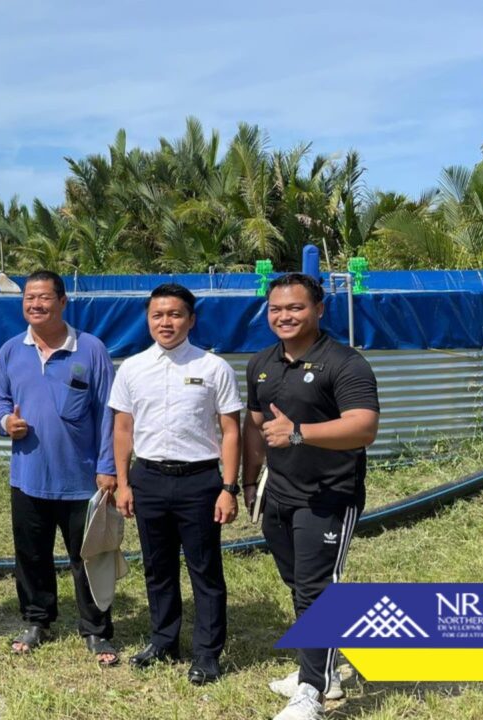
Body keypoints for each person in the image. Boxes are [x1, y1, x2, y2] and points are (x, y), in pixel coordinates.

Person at [242, 273, 379, 720]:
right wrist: (249, 481)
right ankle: (324, 668)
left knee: (317, 592)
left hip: (329, 496)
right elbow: (255, 426)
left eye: (295, 307)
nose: (284, 316)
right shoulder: (261, 362)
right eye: (276, 309)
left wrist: (299, 433)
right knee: (299, 585)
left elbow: (364, 427)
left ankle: (312, 692)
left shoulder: (344, 362)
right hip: (278, 493)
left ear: (319, 309)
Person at [109, 283, 242, 685]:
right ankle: (164, 641)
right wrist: (123, 483)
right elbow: (123, 429)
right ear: (148, 320)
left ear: (191, 319)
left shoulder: (213, 367)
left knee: (205, 569)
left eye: (175, 314)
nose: (165, 322)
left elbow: (231, 431)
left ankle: (207, 654)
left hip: (199, 482)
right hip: (148, 479)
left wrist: (229, 488)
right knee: (157, 567)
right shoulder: (132, 368)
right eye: (158, 315)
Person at [0, 269, 120, 667]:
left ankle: (96, 629)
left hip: (83, 479)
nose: (35, 304)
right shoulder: (12, 350)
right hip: (28, 477)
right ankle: (36, 620)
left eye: (44, 297)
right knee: (31, 555)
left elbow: (110, 413)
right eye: (29, 298)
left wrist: (108, 466)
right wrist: (5, 422)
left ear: (63, 301)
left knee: (90, 557)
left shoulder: (91, 350)